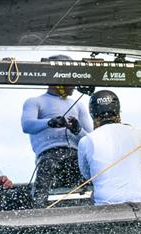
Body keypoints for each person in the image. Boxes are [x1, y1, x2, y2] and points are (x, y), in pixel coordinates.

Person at [78, 90, 141, 206]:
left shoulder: (85, 141)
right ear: (118, 111)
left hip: (106, 208)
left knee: (94, 195)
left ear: (92, 114)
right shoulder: (135, 132)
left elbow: (88, 176)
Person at [21, 55, 94, 208]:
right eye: (71, 79)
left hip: (75, 157)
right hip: (49, 157)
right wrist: (50, 122)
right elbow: (27, 125)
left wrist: (77, 130)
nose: (74, 85)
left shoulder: (78, 105)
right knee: (48, 164)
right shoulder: (35, 102)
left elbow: (91, 138)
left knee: (90, 165)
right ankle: (39, 208)